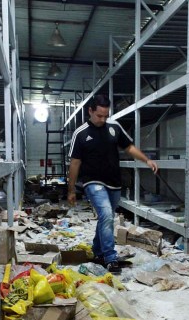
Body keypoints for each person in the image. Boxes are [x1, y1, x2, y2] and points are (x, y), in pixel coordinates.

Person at [67, 94, 158, 272]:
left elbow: (129, 147)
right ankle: (110, 257)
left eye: (106, 116)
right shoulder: (81, 133)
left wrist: (146, 160)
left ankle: (97, 251)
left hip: (114, 182)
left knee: (105, 219)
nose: (102, 119)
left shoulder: (114, 127)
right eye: (99, 115)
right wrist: (71, 189)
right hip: (92, 182)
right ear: (90, 111)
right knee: (107, 215)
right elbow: (75, 163)